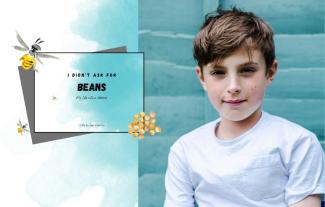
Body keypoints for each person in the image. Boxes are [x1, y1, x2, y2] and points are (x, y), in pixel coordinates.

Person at [164, 7, 325, 207]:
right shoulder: (185, 150)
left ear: (270, 72)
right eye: (219, 72)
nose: (233, 87)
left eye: (247, 70)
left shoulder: (298, 144)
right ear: (202, 77)